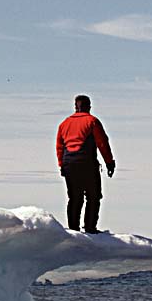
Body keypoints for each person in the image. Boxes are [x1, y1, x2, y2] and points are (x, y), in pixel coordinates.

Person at [56, 95, 115, 233]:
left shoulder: (64, 124)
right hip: (87, 163)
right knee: (93, 196)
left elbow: (59, 146)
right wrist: (109, 163)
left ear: (75, 107)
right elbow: (102, 143)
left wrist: (61, 165)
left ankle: (73, 230)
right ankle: (90, 228)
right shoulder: (92, 121)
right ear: (88, 106)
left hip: (69, 163)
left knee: (74, 197)